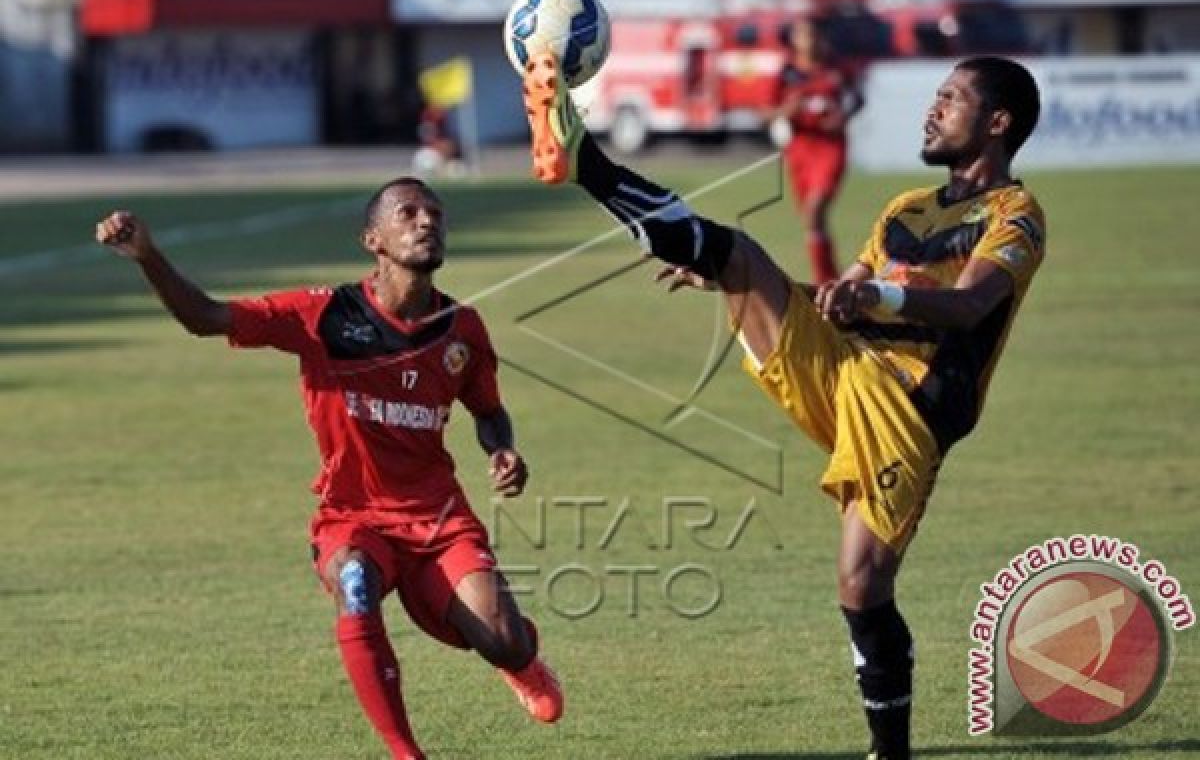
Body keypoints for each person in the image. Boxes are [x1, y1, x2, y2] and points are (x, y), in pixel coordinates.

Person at [522, 51, 1043, 759]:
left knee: (861, 587)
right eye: (938, 95)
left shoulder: (1016, 213)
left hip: (906, 409)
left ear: (998, 122)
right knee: (733, 255)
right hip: (842, 369)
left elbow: (971, 305)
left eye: (951, 98)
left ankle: (889, 751)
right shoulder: (905, 208)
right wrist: (750, 287)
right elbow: (837, 300)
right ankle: (587, 163)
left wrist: (875, 295)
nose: (934, 107)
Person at [94, 178, 564, 760]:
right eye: (409, 213)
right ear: (373, 239)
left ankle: (520, 661)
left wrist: (502, 449)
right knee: (355, 585)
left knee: (502, 640)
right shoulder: (322, 316)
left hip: (437, 518)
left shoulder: (461, 330)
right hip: (354, 517)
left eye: (436, 214)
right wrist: (148, 256)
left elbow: (489, 412)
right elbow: (206, 317)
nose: (426, 222)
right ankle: (405, 753)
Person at [774, 16, 863, 284]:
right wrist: (787, 111)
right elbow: (766, 112)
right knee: (812, 220)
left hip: (830, 146)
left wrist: (844, 116)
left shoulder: (837, 68)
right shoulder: (787, 72)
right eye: (803, 35)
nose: (810, 41)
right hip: (800, 147)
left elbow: (858, 98)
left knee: (815, 211)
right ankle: (832, 278)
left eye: (814, 34)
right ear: (795, 40)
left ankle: (823, 282)